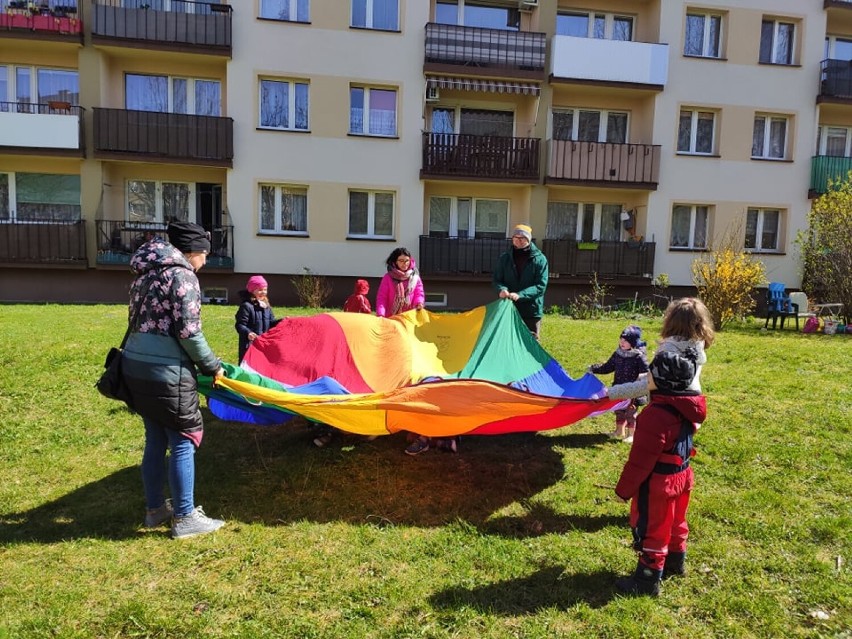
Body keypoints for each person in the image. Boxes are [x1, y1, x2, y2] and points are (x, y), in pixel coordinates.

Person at [122, 221, 226, 540]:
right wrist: (212, 366)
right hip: (166, 371)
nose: (205, 262)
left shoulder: (145, 274)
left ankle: (155, 510)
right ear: (192, 250)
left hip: (136, 366)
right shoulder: (183, 275)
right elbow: (189, 333)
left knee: (155, 439)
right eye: (204, 254)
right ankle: (185, 517)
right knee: (183, 439)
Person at [612, 348, 706, 597]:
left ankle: (646, 581)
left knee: (653, 528)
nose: (647, 378)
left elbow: (640, 462)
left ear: (662, 382)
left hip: (659, 484)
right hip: (682, 476)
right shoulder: (688, 407)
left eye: (650, 375)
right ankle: (676, 561)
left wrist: (624, 491)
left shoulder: (654, 417)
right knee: (676, 522)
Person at [607, 297, 714, 401]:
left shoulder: (668, 351)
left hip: (667, 407)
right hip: (693, 405)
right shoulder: (697, 347)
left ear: (670, 322)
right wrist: (641, 377)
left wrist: (611, 392)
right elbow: (664, 376)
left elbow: (649, 384)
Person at [588, 325, 649, 442]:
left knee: (630, 412)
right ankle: (619, 431)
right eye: (621, 339)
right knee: (619, 411)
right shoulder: (618, 354)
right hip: (618, 388)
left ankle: (631, 434)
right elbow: (608, 366)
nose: (622, 342)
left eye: (625, 340)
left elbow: (645, 373)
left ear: (633, 342)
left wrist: (639, 384)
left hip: (633, 392)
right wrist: (594, 368)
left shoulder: (638, 356)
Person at [492, 224, 549, 339]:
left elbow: (540, 286)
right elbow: (497, 280)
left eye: (522, 238)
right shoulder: (505, 258)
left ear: (528, 239)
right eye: (515, 237)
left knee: (531, 344)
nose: (518, 240)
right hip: (509, 309)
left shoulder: (540, 259)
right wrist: (501, 290)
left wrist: (520, 295)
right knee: (509, 341)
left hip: (531, 311)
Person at [235, 275, 279, 362]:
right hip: (249, 345)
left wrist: (282, 321)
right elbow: (240, 325)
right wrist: (248, 333)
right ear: (252, 291)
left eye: (265, 289)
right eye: (260, 290)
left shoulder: (266, 306)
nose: (263, 292)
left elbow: (271, 323)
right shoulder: (246, 306)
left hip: (263, 345)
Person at [375, 247, 425, 318]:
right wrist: (381, 314)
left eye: (407, 260)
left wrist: (419, 303)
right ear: (395, 262)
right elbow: (382, 298)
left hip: (409, 317)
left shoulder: (415, 277)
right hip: (391, 317)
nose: (405, 263)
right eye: (401, 261)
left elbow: (419, 294)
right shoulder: (388, 277)